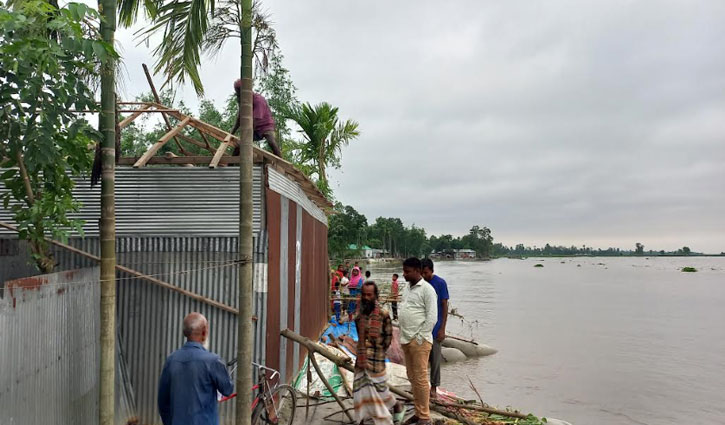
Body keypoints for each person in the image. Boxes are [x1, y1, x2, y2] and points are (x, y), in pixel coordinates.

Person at [158, 312, 234, 425]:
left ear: (185, 332)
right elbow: (227, 390)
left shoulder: (171, 360)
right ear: (204, 332)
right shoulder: (212, 361)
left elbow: (162, 402)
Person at [353, 281, 400, 425]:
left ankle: (391, 412)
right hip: (361, 359)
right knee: (359, 391)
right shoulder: (359, 316)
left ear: (375, 296)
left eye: (369, 295)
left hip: (377, 359)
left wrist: (377, 351)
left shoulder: (384, 315)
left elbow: (388, 338)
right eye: (364, 295)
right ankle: (360, 419)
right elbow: (359, 336)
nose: (366, 298)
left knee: (380, 390)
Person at [398, 257, 437, 425]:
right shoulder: (406, 288)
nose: (404, 274)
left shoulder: (427, 290)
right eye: (404, 271)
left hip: (419, 340)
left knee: (420, 378)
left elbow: (432, 317)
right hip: (406, 339)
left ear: (417, 271)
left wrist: (420, 337)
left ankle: (425, 417)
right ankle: (418, 410)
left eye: (407, 271)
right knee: (411, 376)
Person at [230, 79, 282, 157]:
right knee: (239, 145)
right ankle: (230, 165)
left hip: (265, 125)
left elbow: (256, 120)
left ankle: (280, 161)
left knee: (271, 142)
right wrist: (231, 133)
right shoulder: (244, 101)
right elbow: (239, 118)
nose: (238, 96)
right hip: (252, 127)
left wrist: (247, 136)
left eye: (239, 93)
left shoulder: (258, 100)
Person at [421, 258, 449, 399]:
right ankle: (422, 385)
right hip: (422, 328)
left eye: (426, 273)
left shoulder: (440, 283)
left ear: (432, 271)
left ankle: (434, 387)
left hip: (436, 328)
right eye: (422, 273)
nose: (424, 276)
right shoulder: (420, 285)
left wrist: (442, 328)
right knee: (421, 359)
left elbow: (444, 306)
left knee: (435, 359)